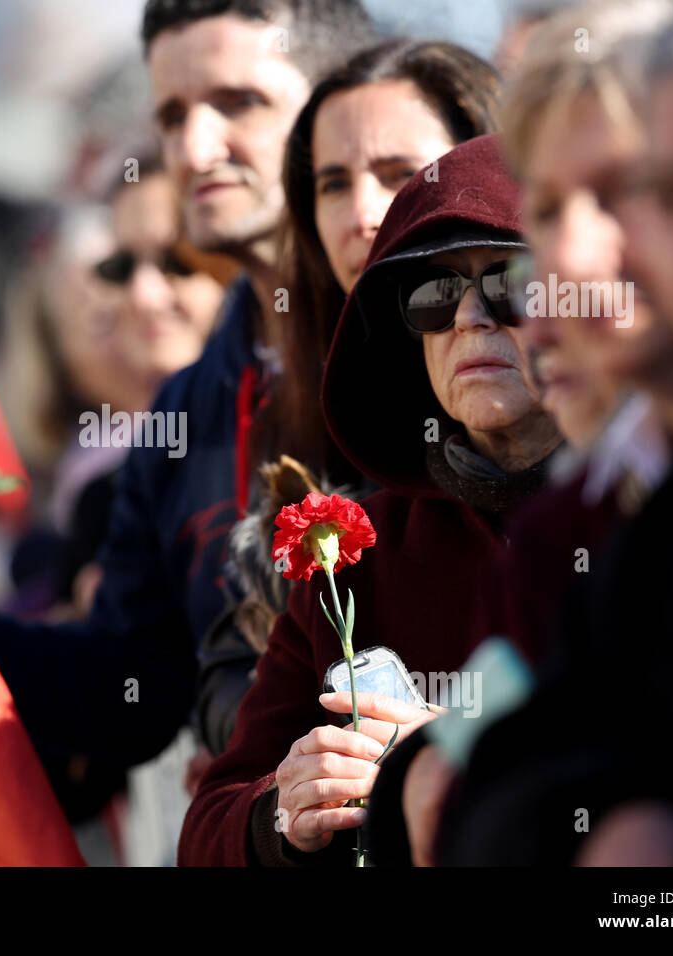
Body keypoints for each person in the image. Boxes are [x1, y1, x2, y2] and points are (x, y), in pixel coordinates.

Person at [0, 0, 374, 773]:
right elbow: (131, 684)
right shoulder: (184, 407)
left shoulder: (429, 342)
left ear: (336, 106)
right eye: (172, 113)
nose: (195, 146)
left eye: (239, 103)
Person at [431, 0, 673, 866]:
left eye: (626, 189)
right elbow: (477, 787)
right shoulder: (587, 520)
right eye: (546, 210)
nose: (571, 263)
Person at [178, 134, 562, 866]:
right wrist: (286, 814)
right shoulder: (353, 555)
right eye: (434, 295)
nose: (470, 319)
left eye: (512, 283)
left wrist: (446, 751)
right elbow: (206, 832)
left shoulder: (650, 508)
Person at [197, 38, 503, 756]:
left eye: (401, 172)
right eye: (333, 183)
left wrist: (444, 753)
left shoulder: (557, 420)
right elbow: (223, 686)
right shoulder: (269, 402)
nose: (363, 211)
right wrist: (291, 767)